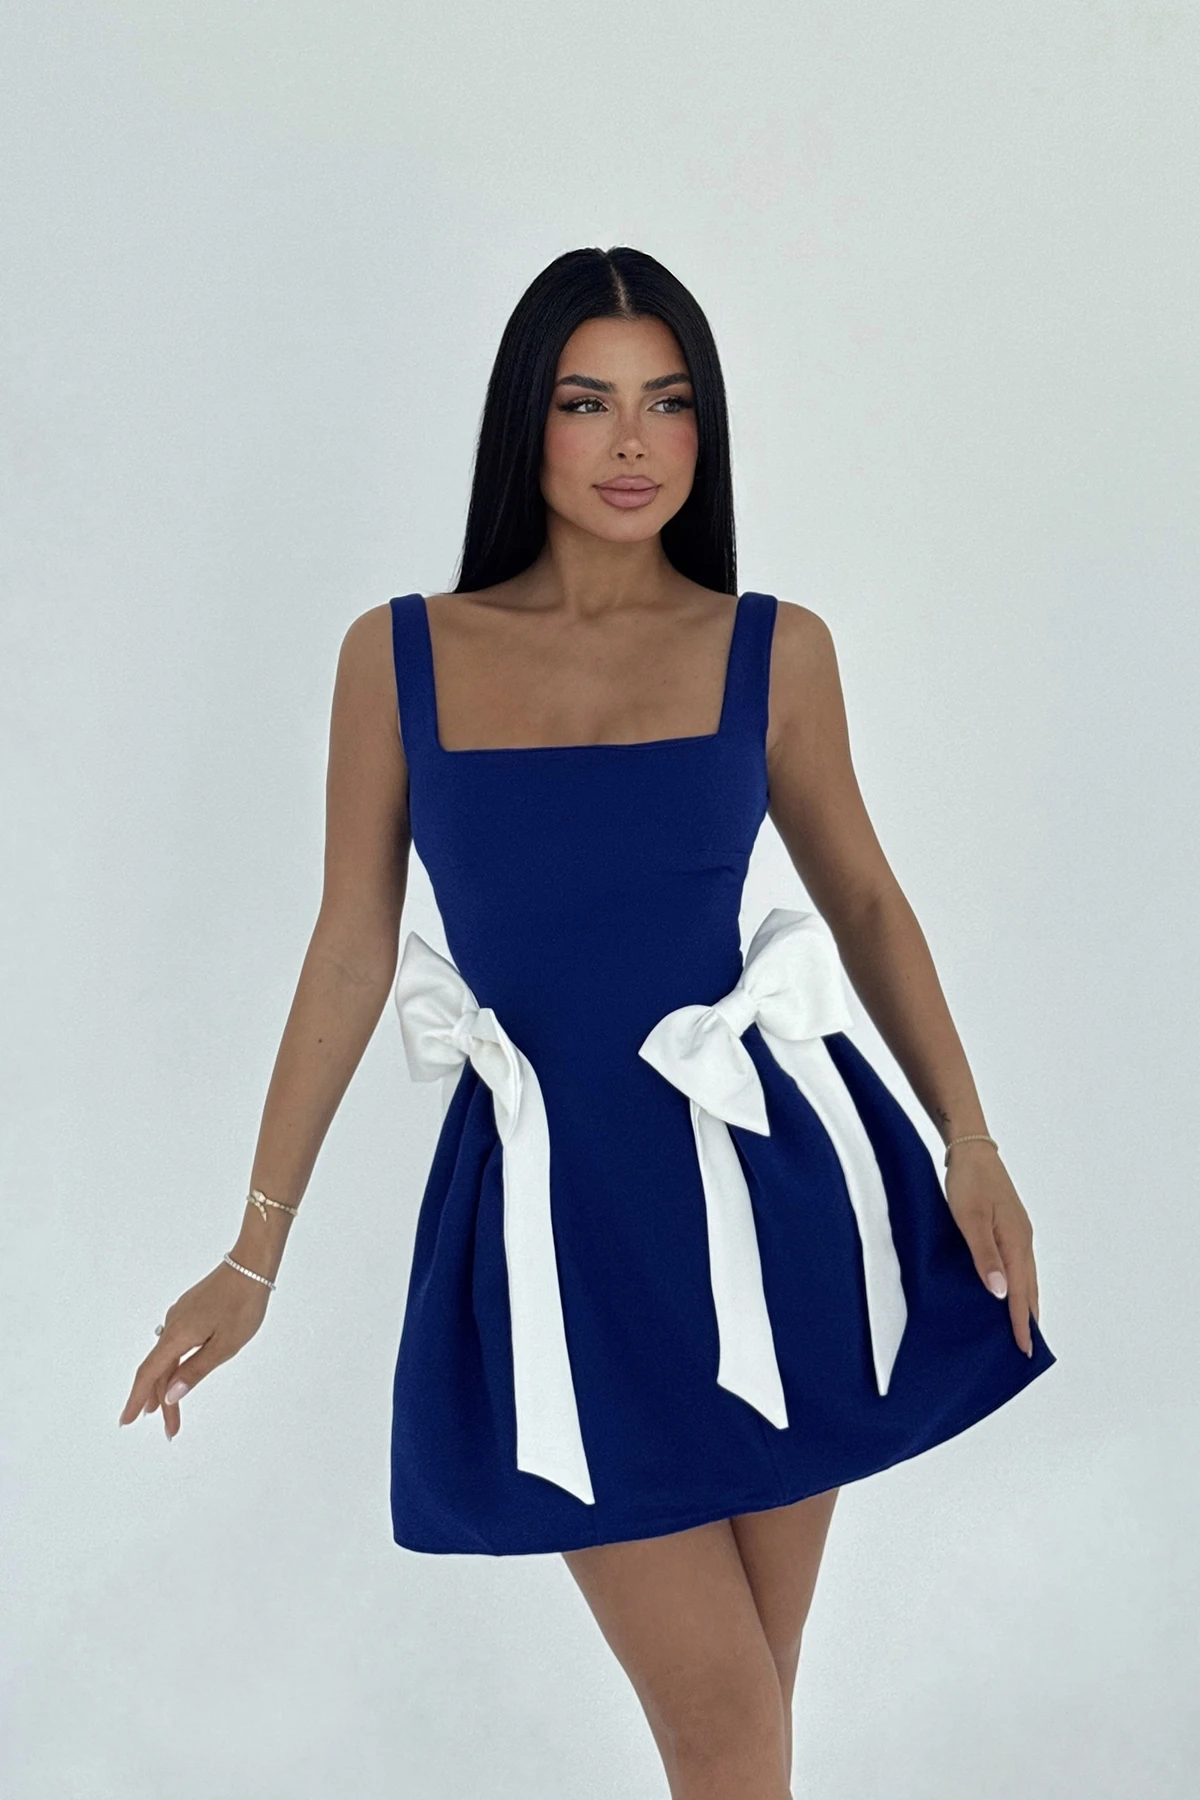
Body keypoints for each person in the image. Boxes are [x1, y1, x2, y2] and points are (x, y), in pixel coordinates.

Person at [119, 245, 1056, 1800]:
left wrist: (972, 1139)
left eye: (668, 402)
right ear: (526, 425)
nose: (633, 442)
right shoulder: (400, 657)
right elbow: (351, 951)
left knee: (743, 1721)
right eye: (588, 402)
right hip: (559, 1234)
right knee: (728, 1727)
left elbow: (868, 903)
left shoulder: (775, 650)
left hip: (773, 1202)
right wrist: (253, 1247)